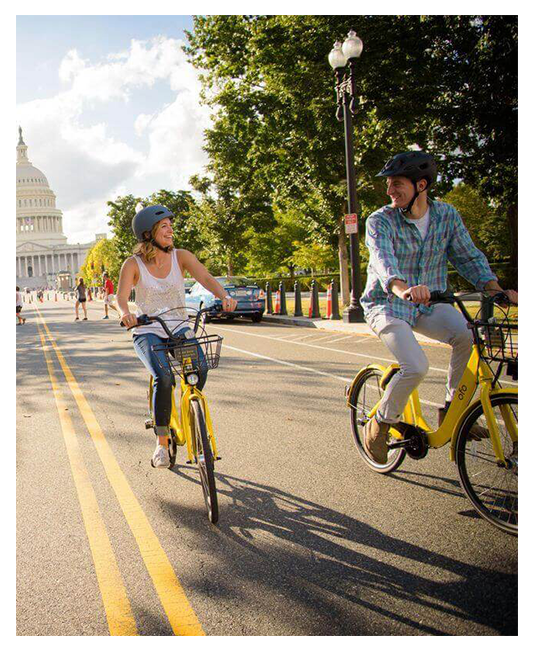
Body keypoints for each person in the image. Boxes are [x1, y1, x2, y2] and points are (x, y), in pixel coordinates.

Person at [360, 151, 518, 464]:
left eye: (396, 184)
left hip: (431, 303)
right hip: (388, 304)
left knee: (467, 337)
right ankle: (379, 423)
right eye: (389, 184)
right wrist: (403, 289)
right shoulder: (380, 220)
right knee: (416, 366)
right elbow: (383, 262)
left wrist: (497, 292)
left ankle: (451, 408)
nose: (390, 190)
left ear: (421, 185)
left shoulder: (446, 216)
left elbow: (468, 257)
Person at [116, 204, 238, 469]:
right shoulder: (133, 264)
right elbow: (121, 297)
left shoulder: (181, 257)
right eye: (164, 226)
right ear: (149, 234)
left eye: (171, 225)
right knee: (164, 376)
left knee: (200, 369)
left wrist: (224, 295)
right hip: (148, 330)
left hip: (179, 327)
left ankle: (187, 407)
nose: (171, 230)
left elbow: (204, 277)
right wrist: (126, 313)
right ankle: (161, 443)